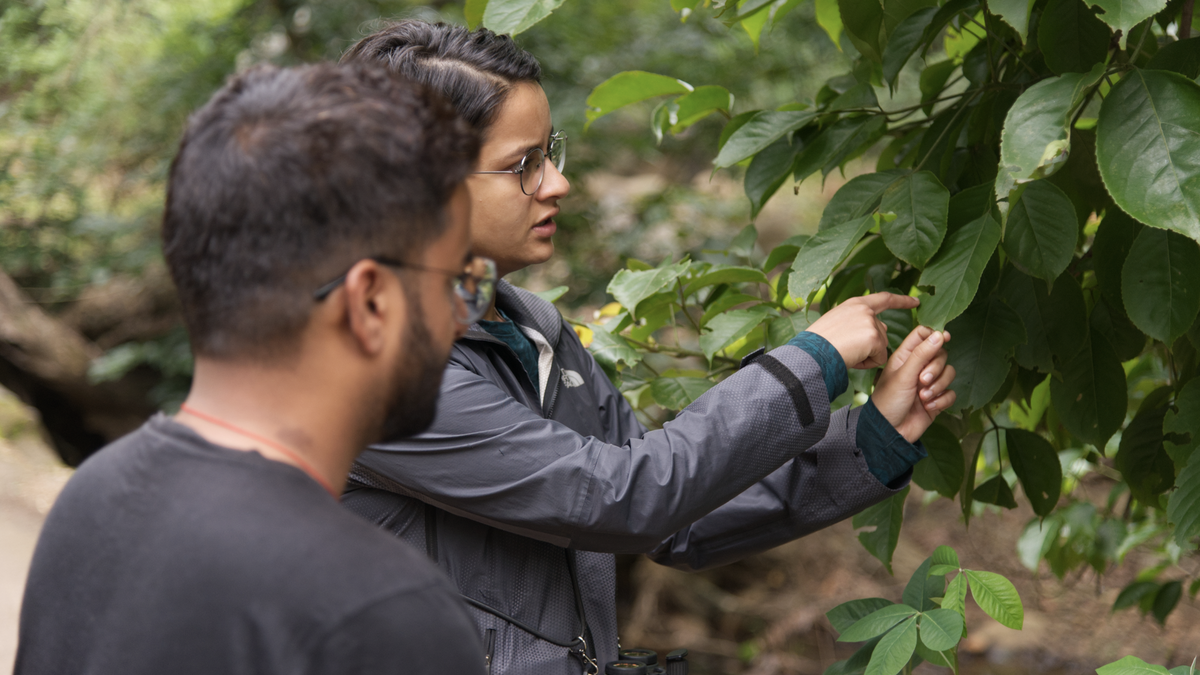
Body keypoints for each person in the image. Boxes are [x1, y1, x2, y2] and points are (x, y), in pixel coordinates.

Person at [340, 21, 958, 675]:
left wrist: (872, 437)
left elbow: (676, 512)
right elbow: (624, 496)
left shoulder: (536, 330)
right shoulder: (384, 371)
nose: (557, 184)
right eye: (523, 165)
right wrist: (814, 358)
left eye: (551, 153)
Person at [16, 62, 491, 675]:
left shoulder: (94, 496)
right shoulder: (379, 611)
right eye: (457, 278)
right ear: (371, 302)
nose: (463, 315)